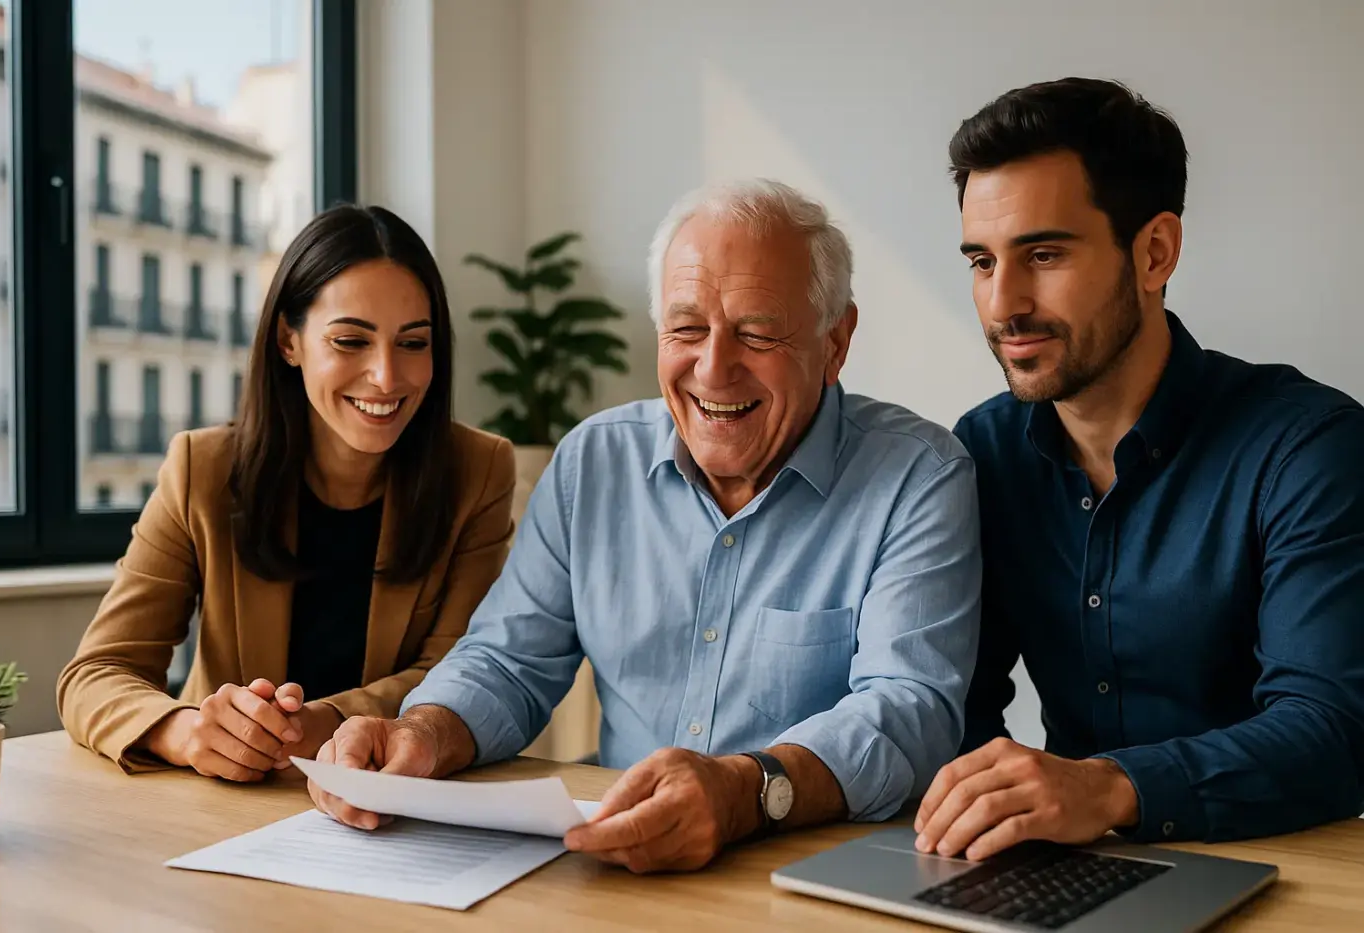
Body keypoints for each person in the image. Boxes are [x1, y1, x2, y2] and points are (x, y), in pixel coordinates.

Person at [305, 179, 982, 873]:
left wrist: (744, 791)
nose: (714, 368)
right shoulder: (593, 460)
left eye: (756, 332)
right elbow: (509, 659)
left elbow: (907, 710)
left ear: (835, 342)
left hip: (822, 874)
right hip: (619, 863)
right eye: (687, 329)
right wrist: (421, 730)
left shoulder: (919, 477)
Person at [914, 77, 1364, 863]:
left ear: (1154, 252)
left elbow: (1332, 725)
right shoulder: (983, 449)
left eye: (1044, 254)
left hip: (1282, 870)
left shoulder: (1307, 447)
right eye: (982, 261)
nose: (1003, 303)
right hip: (1060, 867)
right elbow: (958, 699)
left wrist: (1109, 787)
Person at [57, 204, 516, 781]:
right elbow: (96, 673)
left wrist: (324, 721)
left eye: (413, 343)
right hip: (225, 800)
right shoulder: (203, 468)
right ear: (288, 341)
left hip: (389, 795)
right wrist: (186, 730)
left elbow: (460, 670)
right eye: (351, 341)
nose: (387, 376)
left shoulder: (478, 469)